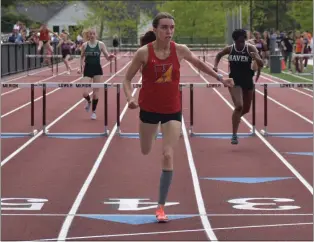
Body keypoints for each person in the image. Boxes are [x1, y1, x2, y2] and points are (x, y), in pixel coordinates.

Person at [122, 12, 234, 223]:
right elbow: (126, 79)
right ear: (155, 30)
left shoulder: (180, 50)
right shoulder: (143, 53)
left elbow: (200, 65)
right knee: (146, 150)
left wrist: (221, 78)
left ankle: (161, 207)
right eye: (164, 27)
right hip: (148, 110)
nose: (169, 31)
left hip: (172, 110)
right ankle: (152, 132)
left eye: (172, 27)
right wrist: (130, 99)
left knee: (167, 154)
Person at [213, 29, 263, 145]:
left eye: (243, 40)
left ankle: (235, 118)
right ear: (235, 41)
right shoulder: (230, 49)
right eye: (239, 41)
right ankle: (234, 135)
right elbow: (219, 54)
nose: (241, 43)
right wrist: (215, 66)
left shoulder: (250, 48)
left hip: (247, 81)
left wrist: (256, 57)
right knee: (239, 106)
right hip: (234, 81)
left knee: (246, 109)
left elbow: (261, 64)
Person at [78, 28, 115, 120]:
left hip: (97, 69)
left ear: (96, 35)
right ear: (88, 35)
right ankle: (89, 101)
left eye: (93, 33)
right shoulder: (85, 45)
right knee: (84, 92)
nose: (92, 35)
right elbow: (81, 57)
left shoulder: (100, 44)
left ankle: (94, 112)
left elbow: (107, 57)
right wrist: (80, 67)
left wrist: (110, 57)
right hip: (87, 69)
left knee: (96, 93)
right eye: (90, 34)